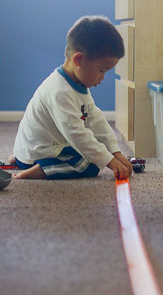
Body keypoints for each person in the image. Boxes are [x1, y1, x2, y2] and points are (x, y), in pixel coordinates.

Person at [10, 16, 133, 180]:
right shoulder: (60, 92)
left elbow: (95, 119)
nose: (102, 78)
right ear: (79, 59)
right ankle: (39, 170)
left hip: (39, 148)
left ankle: (19, 158)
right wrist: (108, 161)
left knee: (93, 151)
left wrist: (114, 151)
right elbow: (76, 134)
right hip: (38, 153)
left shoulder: (78, 84)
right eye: (102, 70)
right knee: (92, 165)